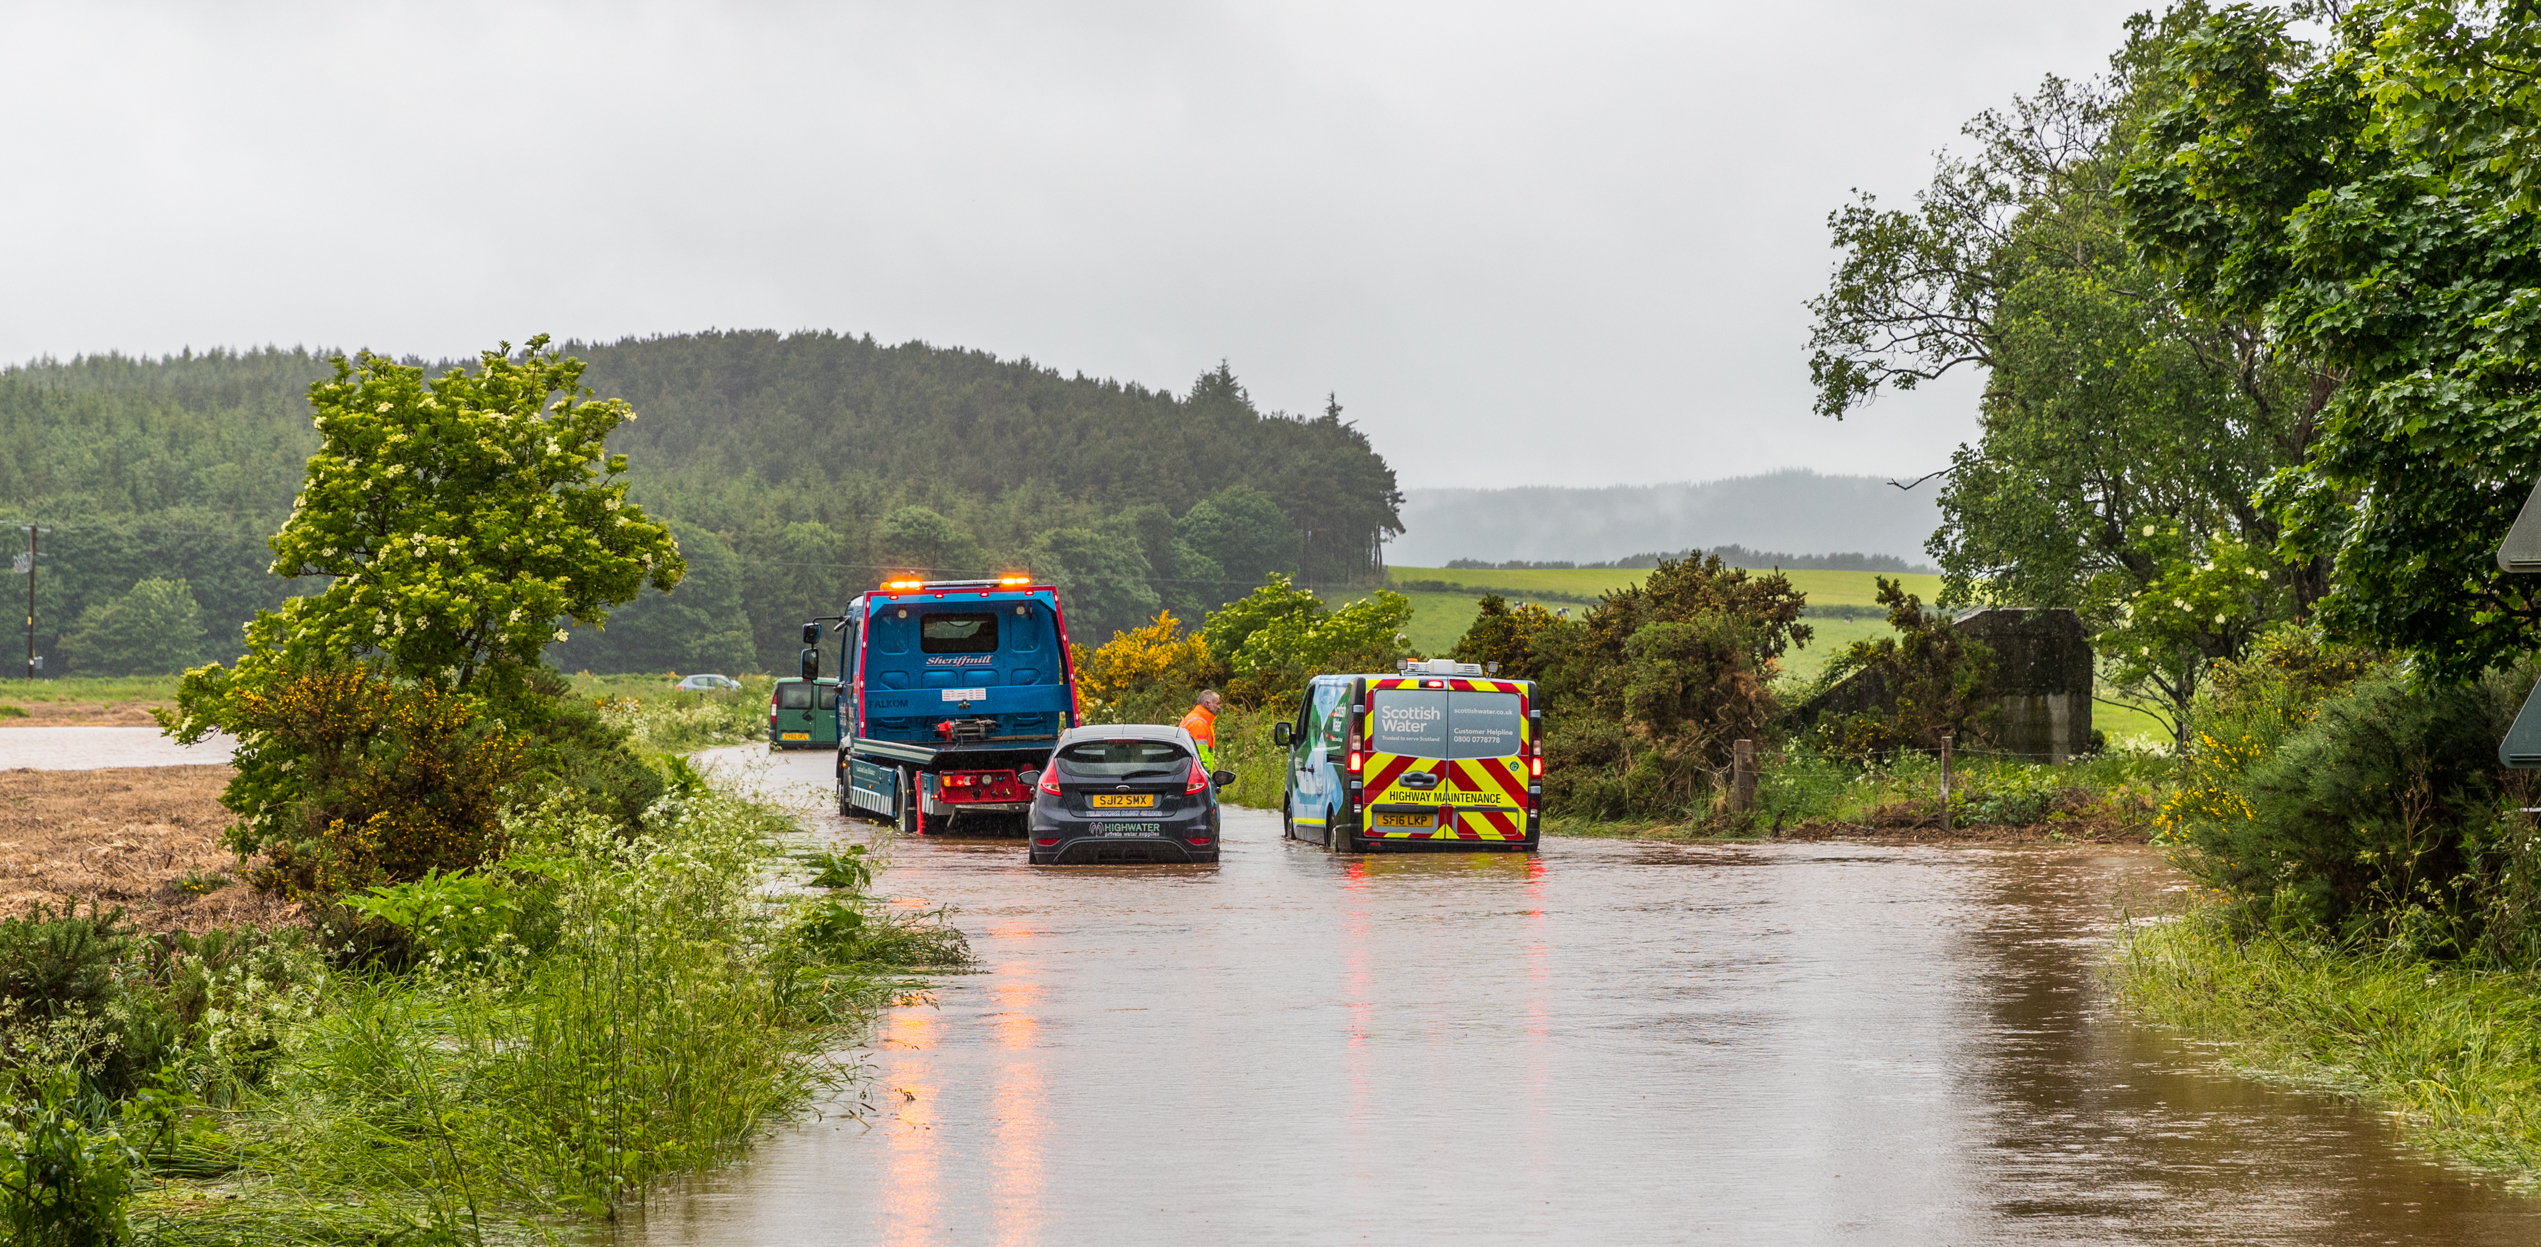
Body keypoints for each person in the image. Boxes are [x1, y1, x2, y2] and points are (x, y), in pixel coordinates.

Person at [1179, 689, 1222, 769]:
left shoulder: (1198, 720)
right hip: (1197, 777)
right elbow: (1199, 757)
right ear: (1207, 704)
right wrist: (1204, 774)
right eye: (1217, 703)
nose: (1219, 707)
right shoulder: (1198, 724)